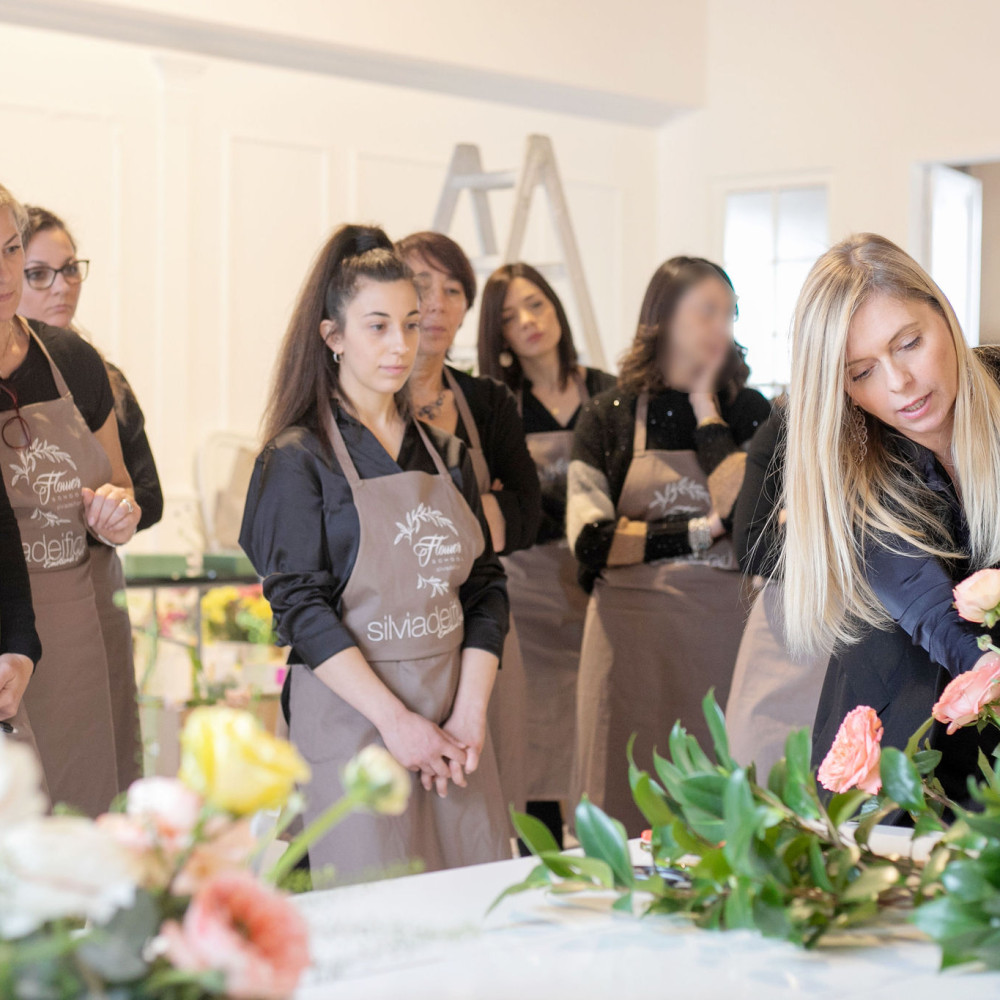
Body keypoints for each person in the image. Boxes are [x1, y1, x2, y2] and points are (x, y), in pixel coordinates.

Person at [240, 224, 511, 880]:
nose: (401, 346)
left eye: (412, 325)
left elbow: (484, 585)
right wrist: (397, 722)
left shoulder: (447, 456)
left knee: (468, 913)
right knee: (370, 921)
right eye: (378, 326)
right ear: (333, 336)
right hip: (355, 727)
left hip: (453, 732)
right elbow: (300, 611)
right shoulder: (297, 460)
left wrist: (469, 715)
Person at [782, 233, 1000, 806]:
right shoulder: (856, 479)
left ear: (942, 314)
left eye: (908, 343)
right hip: (907, 759)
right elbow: (953, 636)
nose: (899, 384)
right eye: (861, 373)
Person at [568, 256, 771, 835]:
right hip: (631, 639)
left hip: (724, 636)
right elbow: (592, 541)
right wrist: (700, 532)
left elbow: (743, 513)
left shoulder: (750, 412)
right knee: (621, 783)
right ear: (663, 315)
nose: (721, 327)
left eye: (729, 313)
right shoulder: (607, 414)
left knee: (721, 794)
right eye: (706, 310)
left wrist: (707, 411)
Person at [0, 183, 142, 817]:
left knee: (88, 818)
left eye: (9, 251)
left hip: (83, 620)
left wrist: (117, 511)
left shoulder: (72, 359)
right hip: (8, 626)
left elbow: (122, 484)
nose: (4, 274)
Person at [396, 231, 541, 814]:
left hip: (481, 623)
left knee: (482, 802)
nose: (436, 302)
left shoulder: (488, 402)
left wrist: (428, 521)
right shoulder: (360, 398)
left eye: (453, 289)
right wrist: (482, 508)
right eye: (421, 285)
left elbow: (526, 520)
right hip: (388, 630)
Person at [478, 261, 616, 846]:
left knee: (596, 731)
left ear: (556, 307)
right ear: (499, 336)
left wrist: (537, 502)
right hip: (527, 597)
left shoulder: (608, 392)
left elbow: (618, 490)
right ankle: (540, 866)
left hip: (597, 589)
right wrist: (573, 501)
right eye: (509, 317)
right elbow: (510, 513)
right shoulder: (497, 406)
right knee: (537, 740)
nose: (528, 322)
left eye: (535, 304)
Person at [18, 206, 163, 531]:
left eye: (70, 269)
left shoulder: (102, 375)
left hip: (95, 573)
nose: (62, 286)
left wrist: (113, 511)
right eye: (39, 274)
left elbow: (150, 496)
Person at [724, 406, 828, 777]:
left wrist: (796, 528)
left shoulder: (900, 423)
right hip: (784, 636)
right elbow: (752, 546)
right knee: (760, 771)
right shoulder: (784, 429)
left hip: (870, 633)